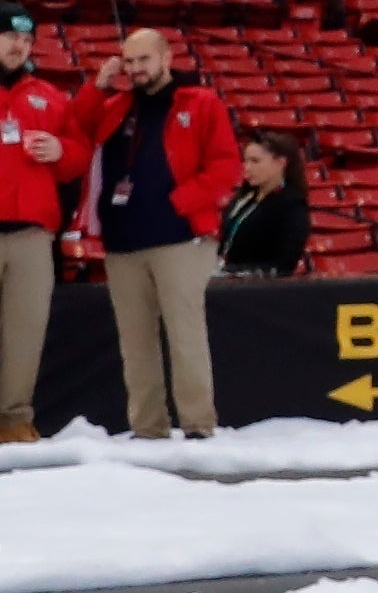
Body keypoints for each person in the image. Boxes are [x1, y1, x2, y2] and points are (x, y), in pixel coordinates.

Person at [67, 29, 237, 437]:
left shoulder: (200, 102)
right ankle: (148, 429)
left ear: (166, 57)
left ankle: (198, 425)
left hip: (180, 239)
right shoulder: (117, 105)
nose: (137, 69)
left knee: (184, 336)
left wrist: (180, 202)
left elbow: (226, 167)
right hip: (123, 242)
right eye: (129, 61)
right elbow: (75, 126)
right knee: (135, 343)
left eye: (144, 60)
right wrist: (98, 86)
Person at [0, 9, 73, 442]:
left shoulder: (49, 95)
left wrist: (62, 150)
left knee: (25, 332)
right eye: (9, 35)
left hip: (31, 235)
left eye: (26, 40)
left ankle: (12, 420)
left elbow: (79, 157)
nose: (19, 46)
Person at [219, 129, 311, 278]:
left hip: (260, 289)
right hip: (226, 280)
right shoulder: (244, 197)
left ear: (280, 163)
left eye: (255, 161)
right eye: (245, 160)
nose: (247, 167)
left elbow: (285, 264)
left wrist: (235, 272)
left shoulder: (291, 205)